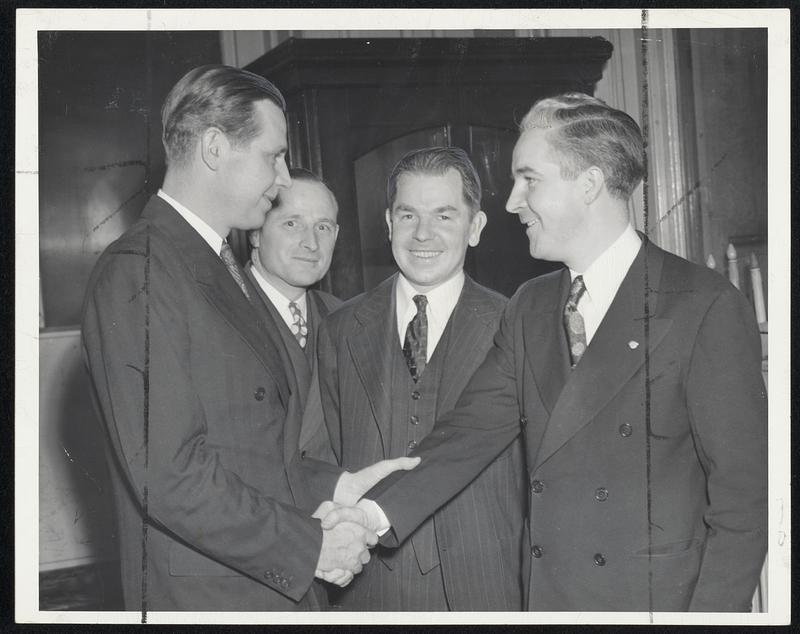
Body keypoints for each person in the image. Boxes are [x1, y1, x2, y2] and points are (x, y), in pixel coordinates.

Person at [325, 93, 768, 612]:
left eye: (529, 179)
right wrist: (373, 517)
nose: (512, 202)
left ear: (590, 182)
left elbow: (745, 505)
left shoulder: (703, 305)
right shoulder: (531, 306)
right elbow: (465, 437)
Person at [82, 65, 413, 612]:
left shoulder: (215, 265)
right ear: (214, 147)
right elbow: (170, 476)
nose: (283, 178)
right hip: (211, 595)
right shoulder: (138, 272)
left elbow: (252, 451)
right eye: (273, 156)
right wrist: (312, 547)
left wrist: (338, 488)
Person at [309, 147, 526, 611]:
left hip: (485, 587)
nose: (423, 233)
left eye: (444, 215)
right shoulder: (341, 329)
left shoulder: (518, 326)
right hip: (365, 589)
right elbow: (317, 458)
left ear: (476, 227)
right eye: (408, 215)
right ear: (388, 223)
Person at [244, 168, 342, 424]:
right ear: (255, 232)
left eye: (323, 227)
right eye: (292, 224)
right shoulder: (217, 312)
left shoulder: (346, 317)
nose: (311, 243)